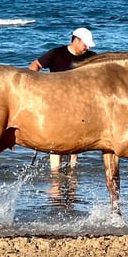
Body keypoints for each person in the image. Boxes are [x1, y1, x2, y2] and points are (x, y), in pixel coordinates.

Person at [28, 27, 97, 170]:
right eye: (85, 44)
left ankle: (72, 170)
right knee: (57, 137)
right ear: (76, 40)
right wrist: (37, 86)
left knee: (76, 136)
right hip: (56, 102)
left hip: (80, 103)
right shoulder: (56, 53)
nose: (87, 47)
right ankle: (55, 173)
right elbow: (35, 65)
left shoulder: (91, 57)